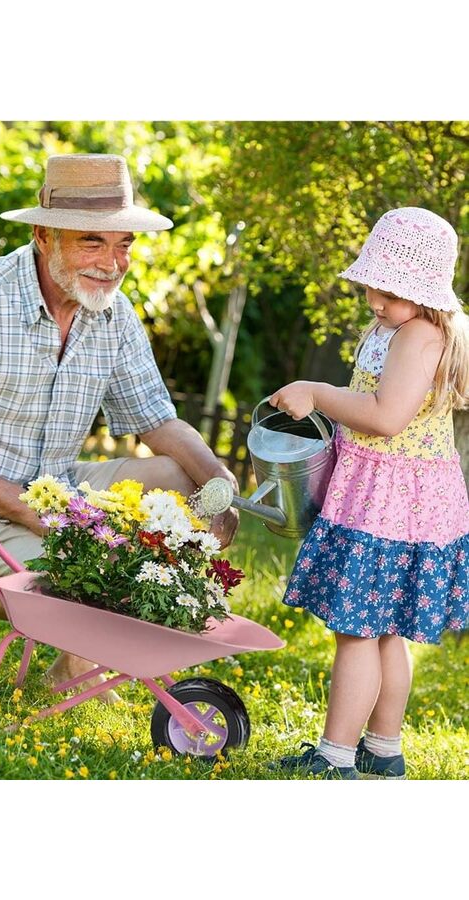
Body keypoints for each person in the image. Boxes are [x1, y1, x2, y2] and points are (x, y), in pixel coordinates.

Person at [0, 153, 239, 694]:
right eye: (92, 242)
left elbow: (157, 420)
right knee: (103, 568)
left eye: (124, 245)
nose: (113, 263)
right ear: (44, 237)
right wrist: (41, 518)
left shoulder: (114, 313)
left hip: (52, 495)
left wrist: (219, 484)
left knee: (180, 481)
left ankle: (71, 647)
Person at [267, 207, 469, 778]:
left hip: (395, 503)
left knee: (357, 630)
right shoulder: (394, 327)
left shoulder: (423, 334)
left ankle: (335, 759)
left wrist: (317, 391)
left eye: (391, 292)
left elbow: (385, 417)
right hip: (383, 494)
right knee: (381, 631)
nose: (376, 301)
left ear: (425, 292)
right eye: (372, 289)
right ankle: (382, 749)